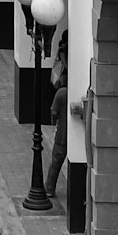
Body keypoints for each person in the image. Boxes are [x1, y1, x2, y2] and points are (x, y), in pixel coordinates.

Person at [46, 69, 68, 201]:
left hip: (62, 136)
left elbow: (53, 113)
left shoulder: (61, 94)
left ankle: (49, 188)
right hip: (75, 139)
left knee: (55, 162)